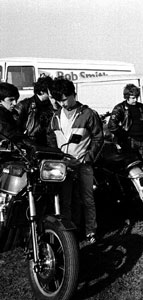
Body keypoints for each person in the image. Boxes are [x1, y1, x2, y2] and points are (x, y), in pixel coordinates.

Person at [47, 78, 104, 244]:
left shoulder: (88, 114)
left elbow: (98, 137)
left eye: (65, 99)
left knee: (87, 199)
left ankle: (91, 231)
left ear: (74, 94)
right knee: (65, 201)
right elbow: (51, 139)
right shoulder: (55, 117)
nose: (62, 103)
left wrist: (88, 158)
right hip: (63, 167)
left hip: (83, 164)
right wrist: (57, 157)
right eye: (59, 100)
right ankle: (69, 235)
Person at [15, 76, 58, 146]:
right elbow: (16, 127)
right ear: (42, 91)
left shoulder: (52, 104)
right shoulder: (25, 105)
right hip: (30, 143)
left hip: (48, 143)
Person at [108, 84, 143, 157]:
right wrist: (123, 136)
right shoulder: (120, 108)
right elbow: (112, 125)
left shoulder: (141, 107)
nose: (135, 100)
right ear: (127, 97)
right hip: (129, 141)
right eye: (133, 98)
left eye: (136, 97)